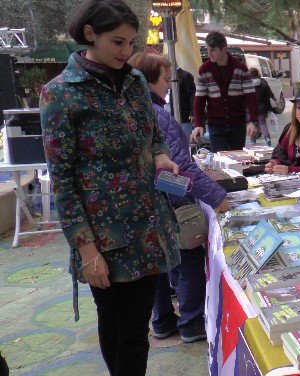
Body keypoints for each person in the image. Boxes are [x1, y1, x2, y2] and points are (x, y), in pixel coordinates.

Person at [40, 1, 181, 374]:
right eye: (117, 42)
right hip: (104, 235)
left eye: (131, 43)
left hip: (149, 227)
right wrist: (87, 249)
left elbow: (152, 135)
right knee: (118, 325)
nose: (126, 52)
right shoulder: (61, 93)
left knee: (135, 328)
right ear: (90, 34)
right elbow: (63, 179)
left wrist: (160, 155)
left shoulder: (134, 82)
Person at [128, 52, 231, 343]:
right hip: (168, 202)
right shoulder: (157, 115)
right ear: (150, 81)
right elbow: (180, 168)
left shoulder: (133, 112)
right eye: (164, 78)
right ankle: (191, 323)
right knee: (186, 260)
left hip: (144, 203)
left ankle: (161, 321)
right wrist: (213, 196)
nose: (168, 85)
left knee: (157, 265)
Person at [192, 31, 258, 152]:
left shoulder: (240, 68)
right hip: (215, 125)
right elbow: (199, 99)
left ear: (224, 49)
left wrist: (253, 121)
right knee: (219, 161)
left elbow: (251, 96)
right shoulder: (204, 69)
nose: (209, 53)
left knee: (237, 161)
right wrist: (198, 124)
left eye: (213, 50)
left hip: (237, 124)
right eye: (207, 49)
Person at [249, 67, 276, 146]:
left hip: (252, 108)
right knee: (262, 123)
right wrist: (273, 99)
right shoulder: (263, 82)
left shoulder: (249, 82)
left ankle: (253, 139)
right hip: (263, 107)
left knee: (253, 123)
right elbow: (269, 92)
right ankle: (267, 139)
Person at [172, 66, 196, 143]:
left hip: (184, 115)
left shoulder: (185, 76)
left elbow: (192, 95)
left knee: (184, 141)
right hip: (175, 115)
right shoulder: (169, 77)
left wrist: (192, 112)